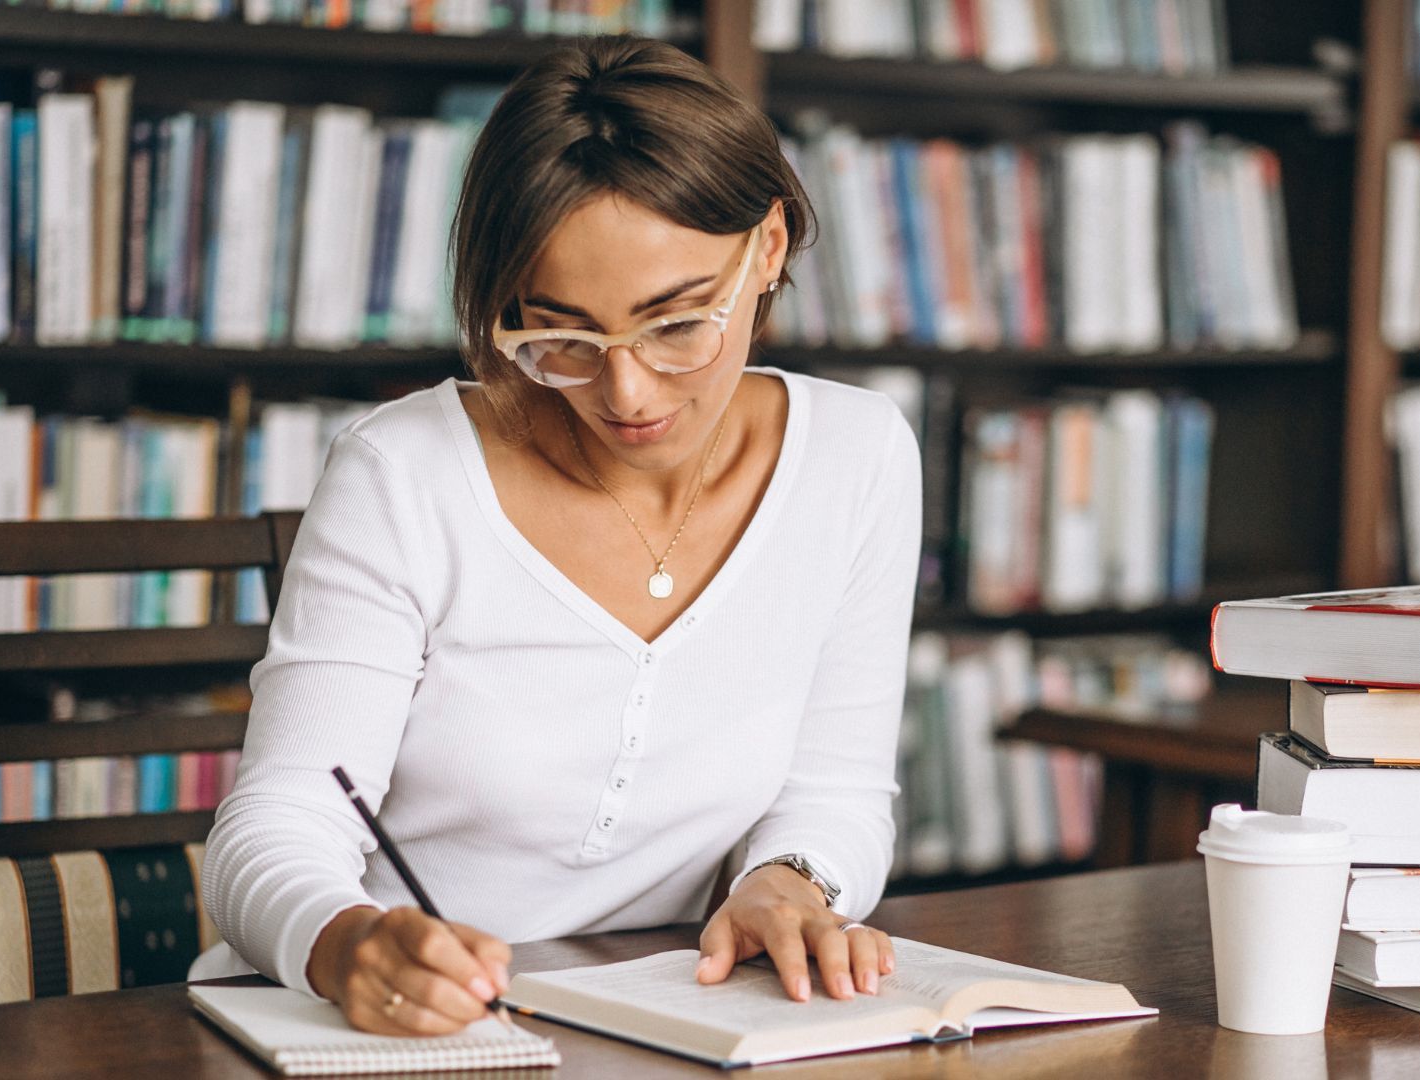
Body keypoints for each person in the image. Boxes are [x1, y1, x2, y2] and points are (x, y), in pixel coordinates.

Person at [197, 35, 922, 1036]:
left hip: (678, 1022)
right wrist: (346, 941)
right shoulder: (402, 471)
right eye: (561, 338)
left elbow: (837, 788)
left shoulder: (860, 455)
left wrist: (790, 881)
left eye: (676, 325)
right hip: (386, 1034)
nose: (625, 395)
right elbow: (277, 823)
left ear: (766, 249)